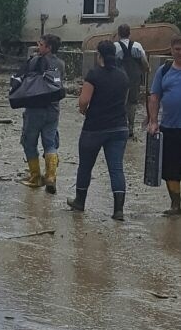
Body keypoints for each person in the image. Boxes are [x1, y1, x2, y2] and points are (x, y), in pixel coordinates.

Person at [67, 40, 129, 220]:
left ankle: (80, 202)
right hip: (119, 127)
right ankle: (118, 210)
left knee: (85, 166)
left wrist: (83, 111)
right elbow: (124, 101)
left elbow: (83, 101)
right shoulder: (123, 75)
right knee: (116, 168)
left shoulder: (94, 74)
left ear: (99, 55)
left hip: (94, 128)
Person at [19, 34, 64, 192]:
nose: (39, 46)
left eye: (41, 44)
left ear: (48, 47)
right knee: (50, 143)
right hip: (53, 110)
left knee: (29, 142)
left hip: (34, 110)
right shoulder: (60, 64)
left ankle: (35, 177)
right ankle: (51, 177)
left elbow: (23, 79)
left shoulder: (34, 61)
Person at [147, 33, 181, 215]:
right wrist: (153, 121)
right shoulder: (164, 70)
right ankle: (176, 204)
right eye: (177, 49)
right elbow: (154, 97)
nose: (180, 52)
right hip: (169, 127)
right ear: (171, 49)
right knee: (170, 169)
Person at [114, 24, 149, 139]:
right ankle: (131, 128)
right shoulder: (137, 46)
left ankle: (120, 127)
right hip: (134, 79)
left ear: (118, 34)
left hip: (119, 80)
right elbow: (144, 63)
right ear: (129, 34)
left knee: (120, 103)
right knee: (132, 104)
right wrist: (147, 70)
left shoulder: (115, 47)